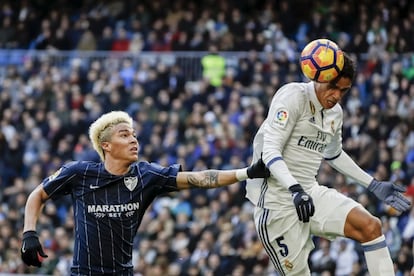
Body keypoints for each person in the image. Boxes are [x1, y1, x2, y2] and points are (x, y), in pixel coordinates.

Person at [20, 110, 269, 275]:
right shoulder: (80, 173)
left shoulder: (145, 175)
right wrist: (29, 233)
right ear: (106, 145)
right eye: (124, 135)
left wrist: (246, 172)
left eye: (134, 135)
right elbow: (37, 195)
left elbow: (200, 178)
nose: (134, 140)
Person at [245, 51, 411, 275]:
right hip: (277, 207)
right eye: (333, 87)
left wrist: (373, 184)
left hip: (310, 195)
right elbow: (270, 151)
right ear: (319, 77)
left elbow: (334, 155)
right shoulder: (292, 96)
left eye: (344, 90)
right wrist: (294, 189)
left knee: (371, 226)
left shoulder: (336, 113)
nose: (337, 95)